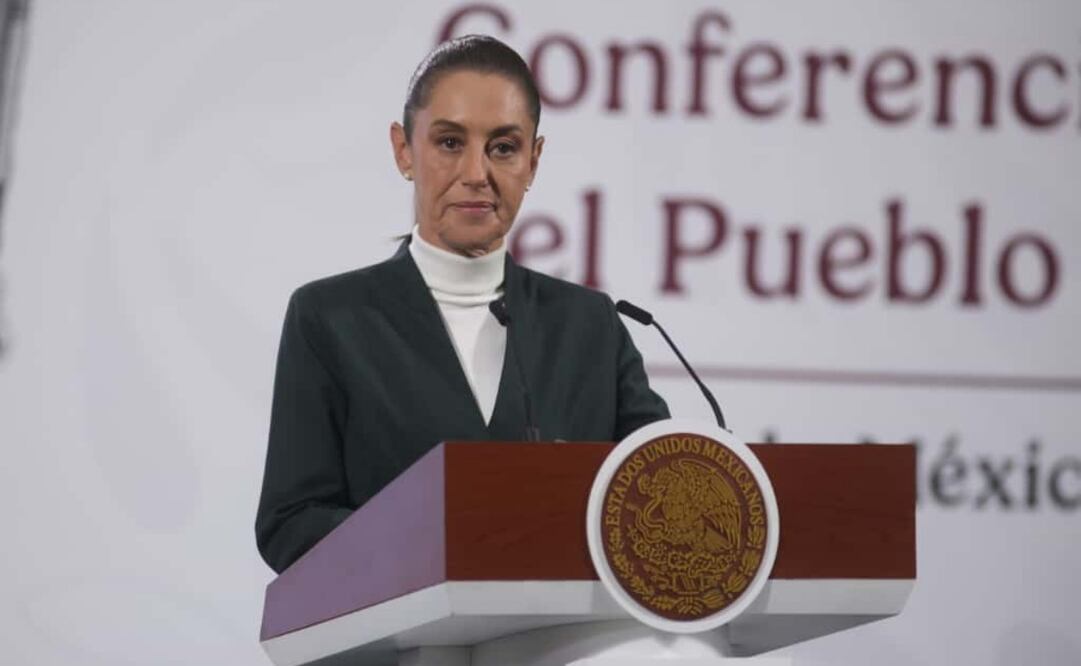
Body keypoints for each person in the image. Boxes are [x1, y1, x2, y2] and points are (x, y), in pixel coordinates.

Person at [255, 35, 670, 574]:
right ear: (404, 150)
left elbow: (665, 494)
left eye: (503, 147)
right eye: (450, 143)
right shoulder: (331, 318)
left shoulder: (590, 326)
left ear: (534, 160)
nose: (477, 173)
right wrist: (435, 540)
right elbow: (290, 523)